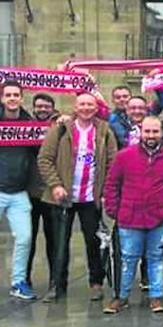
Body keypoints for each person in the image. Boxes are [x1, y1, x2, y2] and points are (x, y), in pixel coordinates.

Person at [102, 116, 163, 313]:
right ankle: (121, 297)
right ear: (141, 131)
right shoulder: (124, 156)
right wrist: (114, 210)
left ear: (161, 133)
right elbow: (112, 184)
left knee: (156, 257)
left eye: (155, 131)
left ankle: (156, 297)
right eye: (147, 131)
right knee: (128, 259)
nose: (151, 135)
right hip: (129, 217)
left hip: (160, 217)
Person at [38, 92, 118, 302]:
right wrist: (55, 185)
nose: (85, 108)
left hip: (91, 197)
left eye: (90, 104)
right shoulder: (61, 129)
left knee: (94, 242)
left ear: (96, 107)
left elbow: (113, 164)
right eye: (82, 104)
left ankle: (96, 283)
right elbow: (45, 159)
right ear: (75, 106)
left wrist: (105, 193)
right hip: (62, 197)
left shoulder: (104, 131)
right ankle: (56, 284)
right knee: (58, 243)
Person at [0, 81, 37, 300]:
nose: (12, 98)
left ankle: (18, 282)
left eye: (16, 95)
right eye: (8, 95)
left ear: (22, 98)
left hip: (19, 193)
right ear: (3, 98)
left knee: (25, 237)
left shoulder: (29, 125)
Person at [26, 93, 58, 290]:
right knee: (26, 239)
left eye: (46, 106)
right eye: (39, 106)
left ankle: (55, 279)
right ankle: (25, 278)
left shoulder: (60, 127)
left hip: (51, 192)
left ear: (52, 108)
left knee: (53, 240)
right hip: (28, 192)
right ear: (34, 108)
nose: (42, 109)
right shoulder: (23, 128)